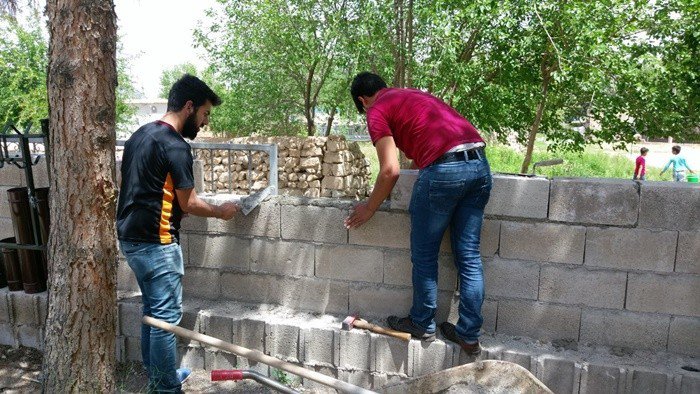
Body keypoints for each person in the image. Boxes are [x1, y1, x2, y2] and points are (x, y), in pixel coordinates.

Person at [345, 72, 492, 355]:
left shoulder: (376, 110)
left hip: (444, 172)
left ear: (362, 100)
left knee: (425, 254)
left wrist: (369, 208)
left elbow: (390, 170)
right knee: (470, 257)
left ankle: (422, 322)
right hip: (479, 165)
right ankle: (468, 334)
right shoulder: (411, 95)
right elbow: (425, 148)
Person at [117, 74, 239, 392]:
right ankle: (165, 388)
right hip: (157, 244)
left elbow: (146, 188)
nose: (205, 122)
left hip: (130, 238)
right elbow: (191, 202)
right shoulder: (175, 146)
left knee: (153, 313)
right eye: (204, 114)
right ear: (189, 107)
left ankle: (161, 377)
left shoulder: (139, 136)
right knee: (164, 318)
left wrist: (175, 206)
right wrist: (221, 211)